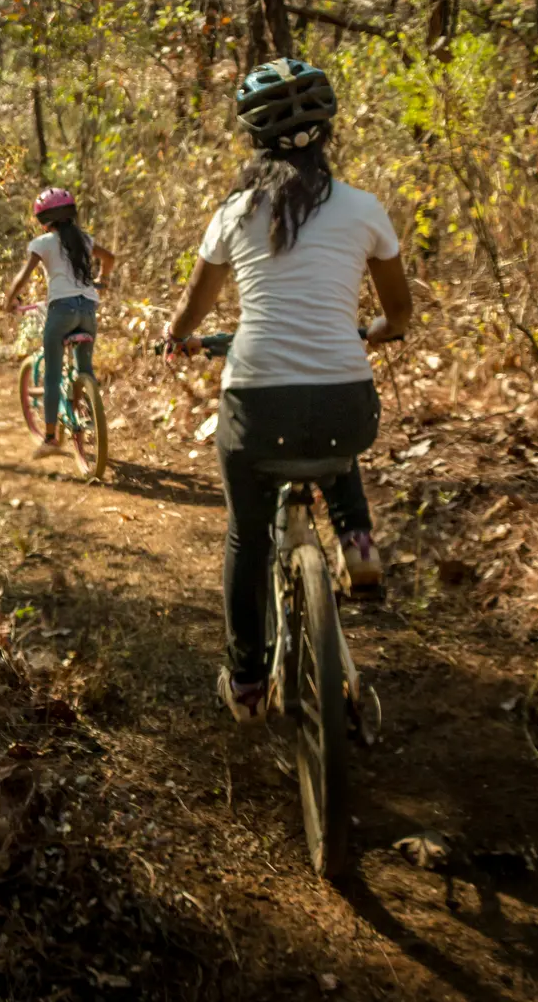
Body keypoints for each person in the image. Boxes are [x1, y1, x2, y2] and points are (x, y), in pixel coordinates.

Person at [163, 58, 413, 723]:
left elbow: (193, 307)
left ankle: (247, 684)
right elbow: (400, 313)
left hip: (256, 403)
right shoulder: (364, 209)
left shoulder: (234, 212)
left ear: (254, 140)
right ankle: (357, 541)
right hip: (344, 403)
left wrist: (176, 335)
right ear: (327, 131)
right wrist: (379, 331)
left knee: (247, 538)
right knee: (333, 429)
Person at [2, 188, 118, 459]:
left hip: (61, 311)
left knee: (53, 374)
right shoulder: (84, 239)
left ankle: (51, 438)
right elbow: (110, 258)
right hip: (88, 311)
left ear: (43, 221)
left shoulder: (42, 243)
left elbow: (22, 277)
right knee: (85, 368)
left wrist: (9, 301)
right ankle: (90, 416)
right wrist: (103, 280)